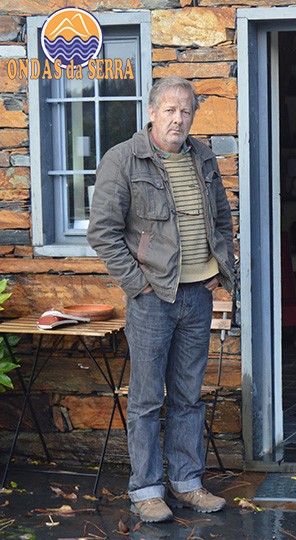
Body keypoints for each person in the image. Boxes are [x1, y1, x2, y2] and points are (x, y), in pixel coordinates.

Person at [87, 77, 235, 523]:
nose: (178, 118)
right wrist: (139, 284)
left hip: (197, 295)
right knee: (147, 399)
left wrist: (217, 267)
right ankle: (147, 488)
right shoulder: (122, 159)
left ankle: (187, 482)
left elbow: (222, 218)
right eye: (169, 109)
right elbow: (103, 233)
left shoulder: (203, 156)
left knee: (189, 396)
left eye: (186, 111)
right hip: (153, 299)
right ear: (151, 112)